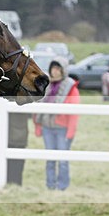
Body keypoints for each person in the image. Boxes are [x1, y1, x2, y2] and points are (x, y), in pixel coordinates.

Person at [33, 59, 80, 190]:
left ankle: (62, 186)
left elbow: (74, 113)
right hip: (47, 127)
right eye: (53, 68)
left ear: (63, 70)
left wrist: (71, 132)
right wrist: (38, 126)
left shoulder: (71, 88)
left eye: (58, 69)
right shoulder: (46, 85)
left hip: (62, 129)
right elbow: (38, 108)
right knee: (50, 159)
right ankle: (50, 185)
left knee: (63, 160)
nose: (55, 71)